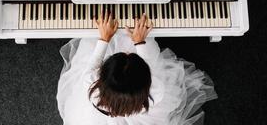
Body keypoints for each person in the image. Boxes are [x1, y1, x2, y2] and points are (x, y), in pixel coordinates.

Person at [57, 10, 217, 125]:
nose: (126, 53)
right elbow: (150, 62)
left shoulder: (91, 86)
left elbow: (94, 62)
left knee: (91, 47)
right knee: (149, 48)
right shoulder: (156, 92)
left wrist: (104, 38)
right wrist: (139, 41)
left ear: (102, 76)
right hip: (137, 109)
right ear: (146, 80)